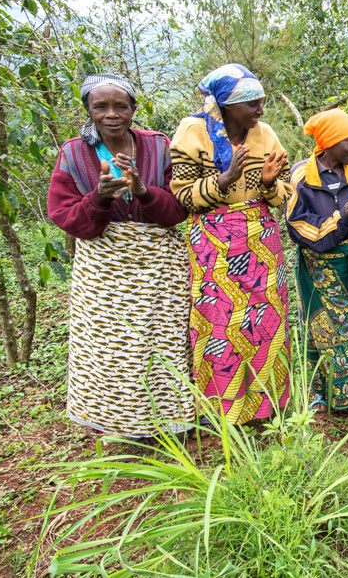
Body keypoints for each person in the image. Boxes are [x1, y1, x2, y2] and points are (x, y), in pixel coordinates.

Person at [47, 74, 192, 438]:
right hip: (104, 269)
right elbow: (64, 215)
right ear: (88, 111)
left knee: (163, 342)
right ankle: (115, 422)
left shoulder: (158, 146)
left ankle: (169, 421)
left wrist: (143, 190)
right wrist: (99, 197)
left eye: (120, 106)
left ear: (133, 109)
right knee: (110, 347)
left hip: (159, 266)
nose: (111, 114)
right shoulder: (73, 153)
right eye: (101, 106)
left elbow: (178, 210)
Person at [170, 64, 291, 425]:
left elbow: (285, 192)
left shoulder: (265, 135)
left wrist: (269, 184)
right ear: (225, 104)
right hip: (213, 242)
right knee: (218, 321)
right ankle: (220, 409)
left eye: (262, 102)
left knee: (268, 319)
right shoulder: (193, 132)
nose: (260, 111)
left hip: (261, 239)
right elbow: (181, 198)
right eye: (251, 103)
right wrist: (224, 179)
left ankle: (267, 406)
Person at [286, 109, 348, 412]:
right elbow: (300, 227)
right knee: (321, 332)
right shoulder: (302, 176)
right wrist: (343, 219)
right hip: (319, 269)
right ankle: (320, 393)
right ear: (329, 143)